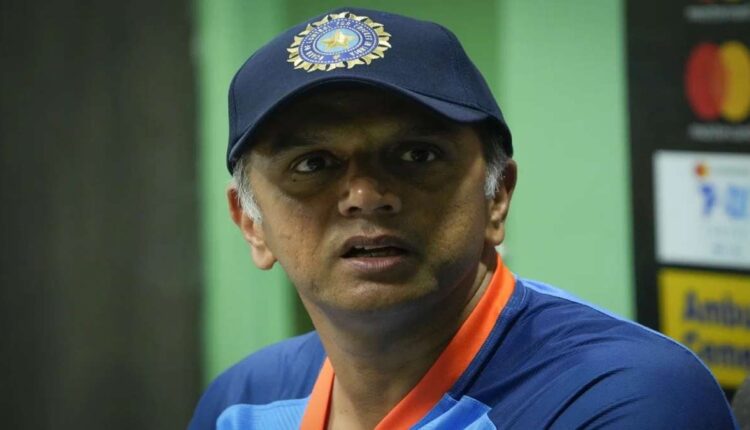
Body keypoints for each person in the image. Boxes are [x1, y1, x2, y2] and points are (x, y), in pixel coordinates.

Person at [189, 8, 737, 430]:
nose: (366, 196)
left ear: (497, 196)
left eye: (416, 155)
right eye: (313, 164)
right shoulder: (243, 402)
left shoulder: (621, 395)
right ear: (251, 224)